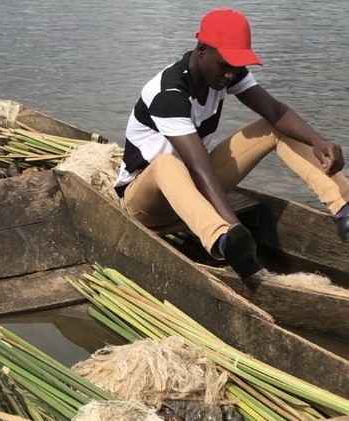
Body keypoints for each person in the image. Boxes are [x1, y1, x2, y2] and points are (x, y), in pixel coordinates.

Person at [113, 8, 349, 279]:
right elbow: (198, 164)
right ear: (202, 50)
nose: (230, 74)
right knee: (168, 163)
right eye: (225, 65)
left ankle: (344, 205)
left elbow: (274, 111)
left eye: (235, 66)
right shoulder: (169, 93)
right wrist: (233, 224)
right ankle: (223, 239)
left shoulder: (225, 74)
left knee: (272, 128)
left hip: (195, 189)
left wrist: (318, 141)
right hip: (147, 202)